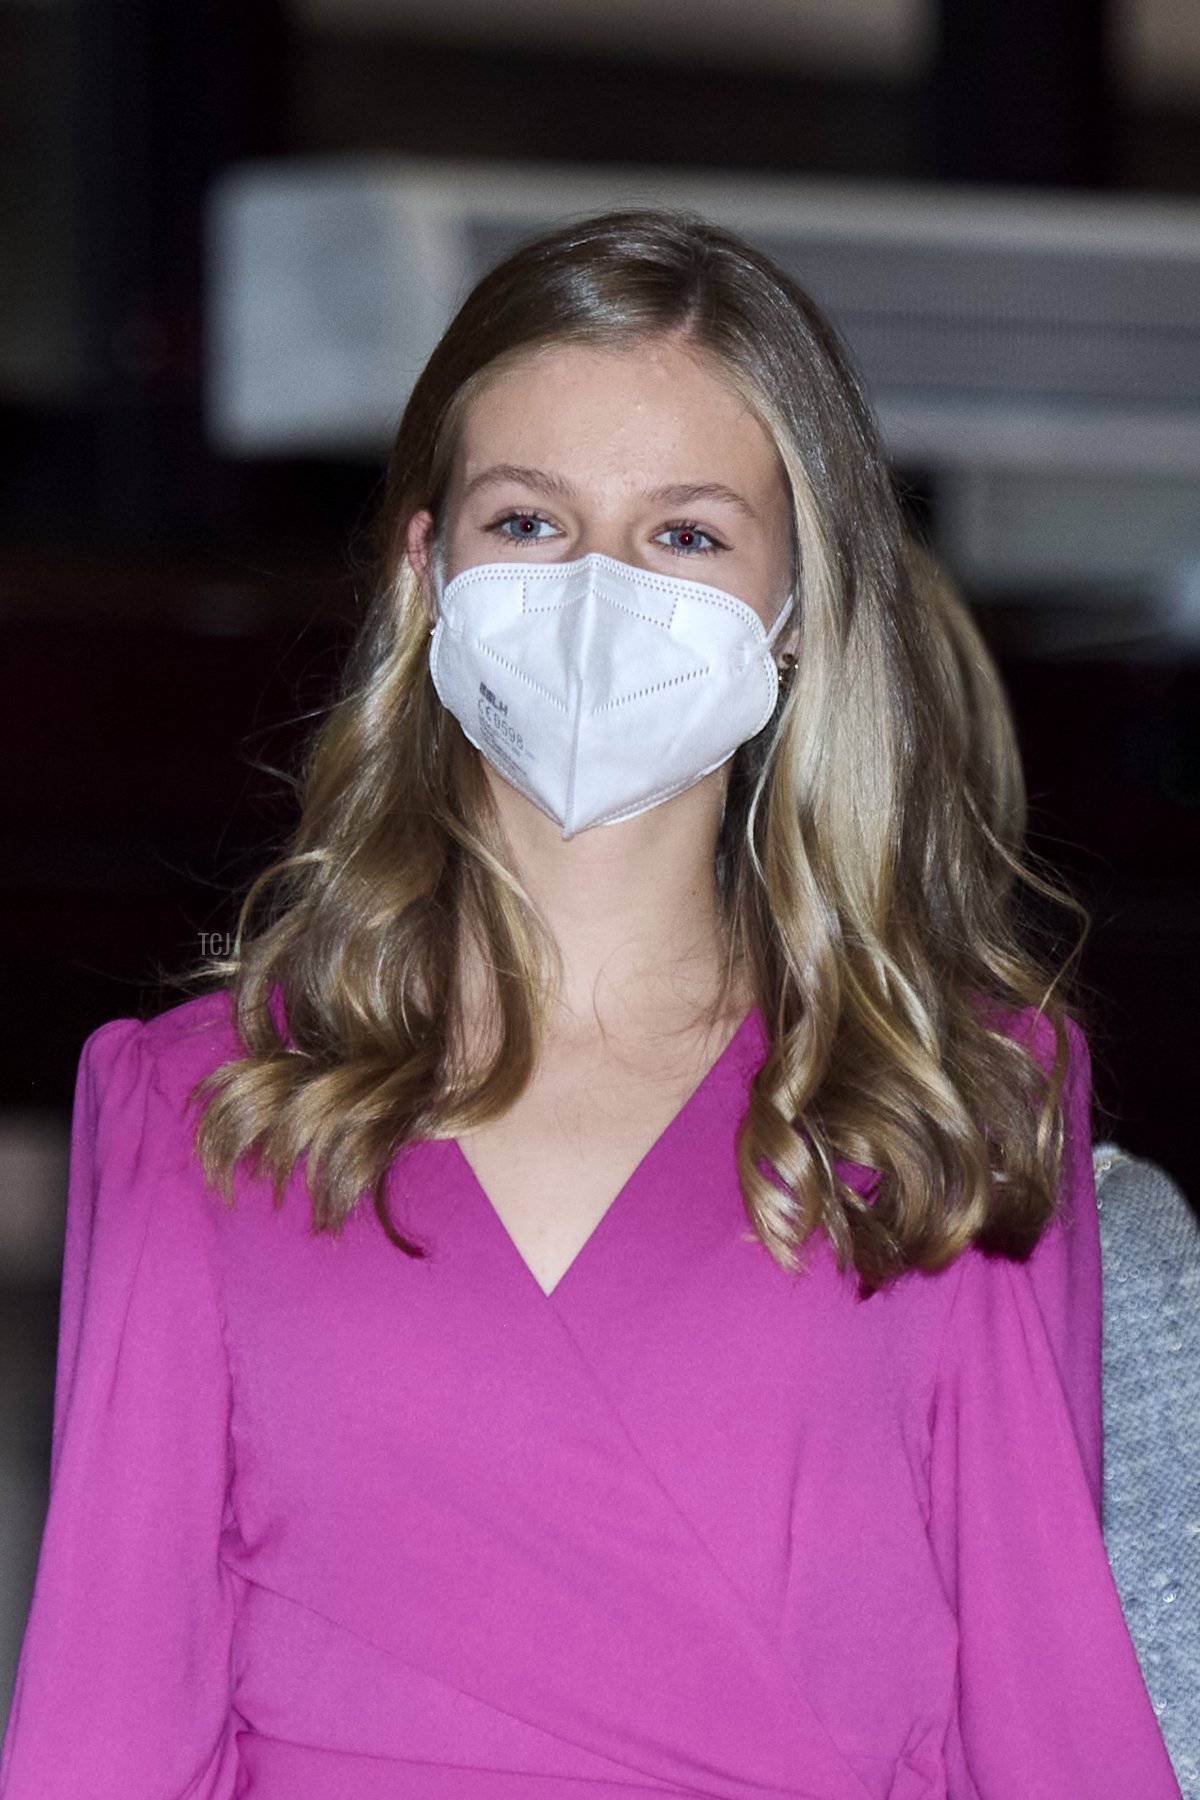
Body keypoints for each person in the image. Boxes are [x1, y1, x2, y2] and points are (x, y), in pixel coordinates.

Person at [0, 212, 1183, 1800]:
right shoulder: (199, 1107)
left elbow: (1048, 1719)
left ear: (795, 602)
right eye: (532, 521)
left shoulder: (950, 1102)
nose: (600, 591)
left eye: (686, 535)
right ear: (429, 568)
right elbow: (103, 1731)